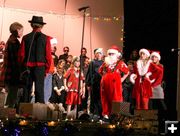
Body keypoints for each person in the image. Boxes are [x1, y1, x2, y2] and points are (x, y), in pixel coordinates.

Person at [18, 16, 52, 103]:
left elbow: (21, 55)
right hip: (40, 68)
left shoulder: (26, 38)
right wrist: (46, 69)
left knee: (27, 89)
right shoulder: (46, 38)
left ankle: (24, 111)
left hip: (27, 67)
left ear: (32, 25)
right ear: (41, 26)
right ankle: (39, 112)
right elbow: (48, 56)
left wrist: (22, 68)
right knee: (39, 89)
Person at [99, 45, 129, 121]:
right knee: (105, 98)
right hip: (105, 84)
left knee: (117, 97)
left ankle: (117, 116)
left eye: (112, 54)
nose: (110, 55)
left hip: (115, 83)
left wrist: (122, 79)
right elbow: (100, 71)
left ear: (116, 55)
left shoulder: (120, 62)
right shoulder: (105, 63)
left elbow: (127, 72)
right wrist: (104, 77)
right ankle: (106, 115)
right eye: (109, 54)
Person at [2, 22, 23, 108]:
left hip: (9, 72)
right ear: (17, 31)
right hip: (13, 73)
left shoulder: (10, 40)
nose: (22, 33)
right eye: (21, 31)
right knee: (12, 97)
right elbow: (15, 61)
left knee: (10, 95)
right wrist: (19, 73)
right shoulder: (14, 42)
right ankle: (8, 116)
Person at [149, 51, 167, 133]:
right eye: (152, 57)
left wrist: (153, 86)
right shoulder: (149, 66)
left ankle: (164, 121)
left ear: (158, 58)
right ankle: (152, 125)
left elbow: (159, 78)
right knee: (151, 107)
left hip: (157, 87)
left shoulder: (161, 66)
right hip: (150, 87)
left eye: (155, 57)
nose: (153, 58)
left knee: (162, 106)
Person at [86, 48, 104, 119]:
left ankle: (100, 113)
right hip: (94, 83)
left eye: (100, 53)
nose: (99, 55)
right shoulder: (92, 62)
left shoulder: (103, 63)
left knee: (100, 99)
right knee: (93, 98)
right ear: (95, 54)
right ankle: (93, 112)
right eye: (97, 53)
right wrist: (88, 83)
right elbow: (89, 73)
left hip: (101, 83)